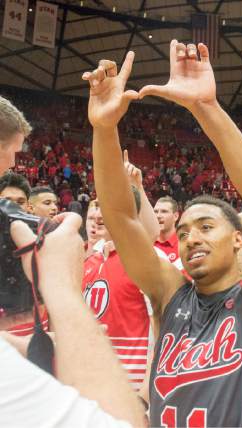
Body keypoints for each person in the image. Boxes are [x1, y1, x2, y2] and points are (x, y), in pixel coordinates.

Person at [83, 41, 242, 427]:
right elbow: (120, 216)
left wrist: (206, 108)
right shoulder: (170, 295)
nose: (191, 237)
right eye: (183, 233)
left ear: (237, 238)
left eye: (206, 227)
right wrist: (104, 128)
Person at [0, 95, 145, 427]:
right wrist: (61, 289)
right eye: (11, 154)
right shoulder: (72, 257)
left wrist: (25, 346)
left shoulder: (128, 258)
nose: (12, 165)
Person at [83, 156, 160, 391]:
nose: (98, 217)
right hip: (91, 379)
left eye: (106, 209)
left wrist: (146, 391)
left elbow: (161, 328)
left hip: (132, 385)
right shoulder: (89, 259)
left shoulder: (143, 259)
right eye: (96, 210)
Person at [153, 195, 181, 267]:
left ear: (176, 216)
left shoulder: (184, 244)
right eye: (155, 211)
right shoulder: (147, 243)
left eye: (164, 211)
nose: (158, 216)